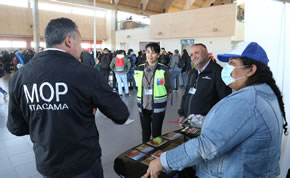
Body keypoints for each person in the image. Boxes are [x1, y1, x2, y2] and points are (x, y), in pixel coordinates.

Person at [142, 42, 288, 178]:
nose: (228, 69)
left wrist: (163, 161)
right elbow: (237, 126)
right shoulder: (264, 93)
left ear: (251, 70)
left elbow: (206, 146)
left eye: (232, 63)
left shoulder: (245, 101)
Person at [7, 18, 129, 178]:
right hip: (83, 163)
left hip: (48, 164)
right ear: (69, 40)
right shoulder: (86, 74)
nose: (81, 47)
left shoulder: (20, 77)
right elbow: (121, 114)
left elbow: (15, 127)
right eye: (80, 41)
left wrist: (41, 118)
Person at [178, 43, 231, 126]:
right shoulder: (193, 73)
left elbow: (225, 101)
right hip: (189, 122)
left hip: (207, 124)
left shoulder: (218, 72)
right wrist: (181, 114)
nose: (193, 56)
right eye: (191, 55)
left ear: (206, 53)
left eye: (196, 53)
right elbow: (186, 94)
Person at [134, 42, 172, 143]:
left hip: (158, 106)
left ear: (158, 55)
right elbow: (138, 87)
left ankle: (157, 154)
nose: (150, 55)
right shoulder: (138, 68)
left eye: (153, 53)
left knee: (156, 133)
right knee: (145, 132)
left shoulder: (163, 69)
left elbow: (169, 88)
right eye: (148, 52)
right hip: (143, 106)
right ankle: (145, 155)